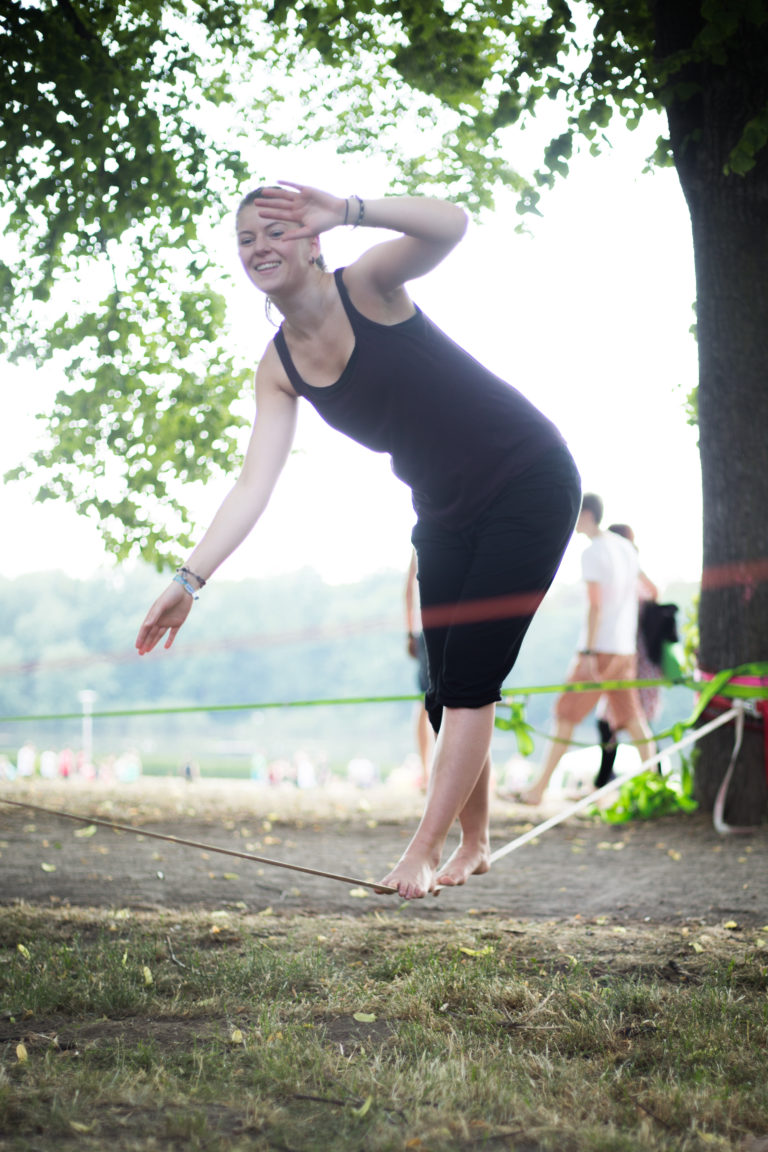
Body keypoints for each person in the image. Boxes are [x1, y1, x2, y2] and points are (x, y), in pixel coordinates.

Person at [135, 181, 581, 898]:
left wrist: (346, 208)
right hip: (443, 513)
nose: (259, 247)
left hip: (528, 480)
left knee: (469, 680)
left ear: (312, 243)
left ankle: (423, 852)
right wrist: (188, 581)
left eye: (274, 231)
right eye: (246, 239)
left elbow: (451, 225)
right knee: (444, 692)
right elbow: (254, 485)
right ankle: (477, 839)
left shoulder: (369, 286)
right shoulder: (277, 369)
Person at [501, 493, 656, 807]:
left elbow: (596, 606)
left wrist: (586, 652)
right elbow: (651, 590)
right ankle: (655, 784)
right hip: (625, 648)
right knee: (632, 718)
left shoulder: (593, 552)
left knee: (565, 714)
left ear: (585, 514)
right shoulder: (624, 547)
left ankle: (538, 790)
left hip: (599, 649)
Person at [593, 523, 659, 789]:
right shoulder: (626, 576)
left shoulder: (629, 575)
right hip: (629, 657)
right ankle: (648, 777)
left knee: (631, 722)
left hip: (631, 659)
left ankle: (653, 777)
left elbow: (653, 593)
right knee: (619, 722)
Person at [405, 549, 434, 790]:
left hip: (428, 629)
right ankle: (427, 771)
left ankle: (430, 770)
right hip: (427, 630)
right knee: (429, 701)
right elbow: (408, 587)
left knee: (430, 701)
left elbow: (407, 588)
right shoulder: (420, 539)